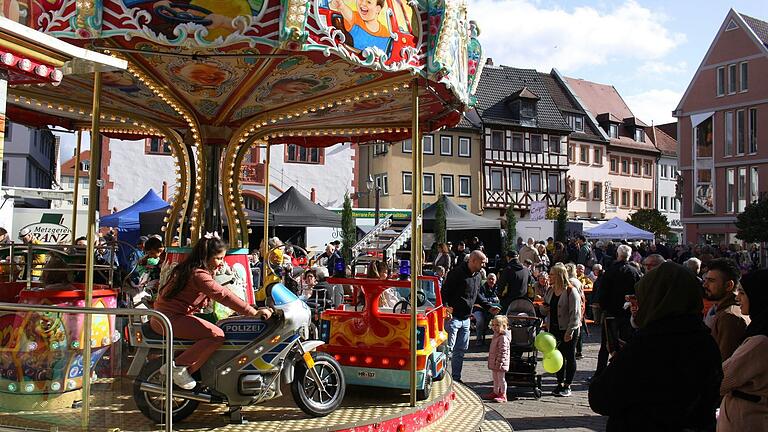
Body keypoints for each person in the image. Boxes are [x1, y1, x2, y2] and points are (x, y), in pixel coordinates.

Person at [589, 261, 722, 431]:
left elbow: (602, 399)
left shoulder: (648, 344)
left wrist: (618, 362)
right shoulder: (704, 341)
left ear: (656, 298)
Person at [150, 235, 272, 389]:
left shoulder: (191, 269)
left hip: (167, 317)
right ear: (206, 257)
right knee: (216, 336)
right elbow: (223, 295)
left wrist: (248, 308)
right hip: (170, 319)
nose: (222, 263)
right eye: (219, 258)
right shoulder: (199, 275)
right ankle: (179, 368)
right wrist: (252, 312)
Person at [717, 269, 768, 432]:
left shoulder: (760, 340)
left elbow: (722, 379)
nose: (737, 297)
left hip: (747, 419)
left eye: (743, 293)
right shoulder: (759, 329)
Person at [441, 250, 496, 383]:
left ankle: (456, 378)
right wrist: (446, 308)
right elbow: (444, 292)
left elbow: (477, 296)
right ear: (473, 261)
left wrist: (489, 307)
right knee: (447, 350)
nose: (484, 265)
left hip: (466, 318)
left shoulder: (478, 276)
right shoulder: (456, 273)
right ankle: (441, 377)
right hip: (453, 317)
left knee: (460, 350)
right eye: (482, 262)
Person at [595, 244, 641, 376]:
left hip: (611, 313)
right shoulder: (635, 272)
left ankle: (600, 373)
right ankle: (624, 372)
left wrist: (604, 307)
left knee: (606, 344)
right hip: (627, 314)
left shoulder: (610, 271)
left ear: (617, 254)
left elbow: (602, 292)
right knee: (626, 343)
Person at [542, 263, 581, 397]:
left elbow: (575, 315)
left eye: (552, 274)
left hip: (567, 329)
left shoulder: (571, 291)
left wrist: (570, 331)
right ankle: (559, 383)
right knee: (557, 356)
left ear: (559, 275)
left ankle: (567, 384)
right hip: (553, 329)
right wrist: (543, 309)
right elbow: (544, 307)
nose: (549, 276)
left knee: (569, 356)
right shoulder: (550, 290)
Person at [702, 258, 750, 361]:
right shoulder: (721, 310)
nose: (705, 285)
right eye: (705, 280)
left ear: (729, 285)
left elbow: (725, 361)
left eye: (711, 281)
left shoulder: (729, 317)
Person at [482, 315, 511, 403]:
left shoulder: (503, 338)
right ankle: (495, 392)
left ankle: (503, 394)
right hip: (495, 362)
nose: (495, 327)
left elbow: (503, 352)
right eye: (493, 325)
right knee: (495, 378)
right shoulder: (496, 336)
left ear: (504, 326)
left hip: (500, 363)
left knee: (501, 379)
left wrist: (499, 362)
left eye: (497, 325)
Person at [472, 272, 499, 346]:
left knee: (499, 320)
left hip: (493, 309)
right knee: (480, 320)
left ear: (495, 280)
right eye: (489, 279)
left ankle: (496, 340)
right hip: (479, 308)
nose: (491, 281)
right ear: (486, 279)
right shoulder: (482, 288)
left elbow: (499, 299)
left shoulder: (497, 288)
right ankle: (479, 339)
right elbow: (482, 300)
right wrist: (493, 300)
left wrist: (491, 301)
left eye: (492, 279)